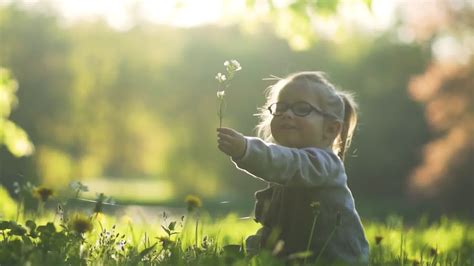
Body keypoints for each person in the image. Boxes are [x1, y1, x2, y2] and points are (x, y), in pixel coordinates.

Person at [216, 71, 369, 264]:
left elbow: (287, 163)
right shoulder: (285, 172)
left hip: (337, 260)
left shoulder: (325, 165)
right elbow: (274, 227)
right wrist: (253, 252)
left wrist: (247, 149)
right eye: (281, 107)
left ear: (330, 129)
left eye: (302, 108)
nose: (287, 114)